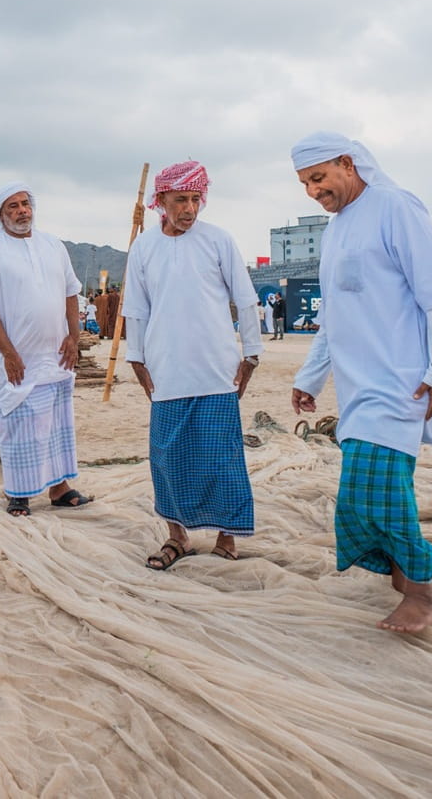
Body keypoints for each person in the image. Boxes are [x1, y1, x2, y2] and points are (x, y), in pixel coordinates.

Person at [289, 133, 432, 635]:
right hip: (357, 386)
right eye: (304, 184)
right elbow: (334, 316)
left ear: (348, 164)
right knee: (376, 491)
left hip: (403, 380)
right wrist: (310, 377)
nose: (313, 192)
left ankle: (422, 591)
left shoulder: (395, 207)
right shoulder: (337, 228)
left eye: (318, 179)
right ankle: (405, 578)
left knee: (374, 491)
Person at [122, 161, 261, 568]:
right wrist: (137, 360)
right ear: (161, 201)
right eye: (180, 199)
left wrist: (250, 355)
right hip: (166, 369)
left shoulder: (218, 240)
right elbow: (136, 310)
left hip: (217, 368)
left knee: (222, 457)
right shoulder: (144, 248)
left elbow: (247, 298)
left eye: (195, 199)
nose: (189, 208)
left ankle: (228, 537)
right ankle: (176, 536)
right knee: (168, 456)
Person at [0, 182, 91, 516]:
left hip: (55, 357)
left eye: (25, 204)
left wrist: (73, 336)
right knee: (21, 428)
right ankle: (19, 493)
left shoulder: (53, 245)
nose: (22, 211)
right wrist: (9, 353)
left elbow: (71, 292)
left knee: (57, 425)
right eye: (13, 206)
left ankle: (60, 488)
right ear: (0, 215)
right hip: (18, 361)